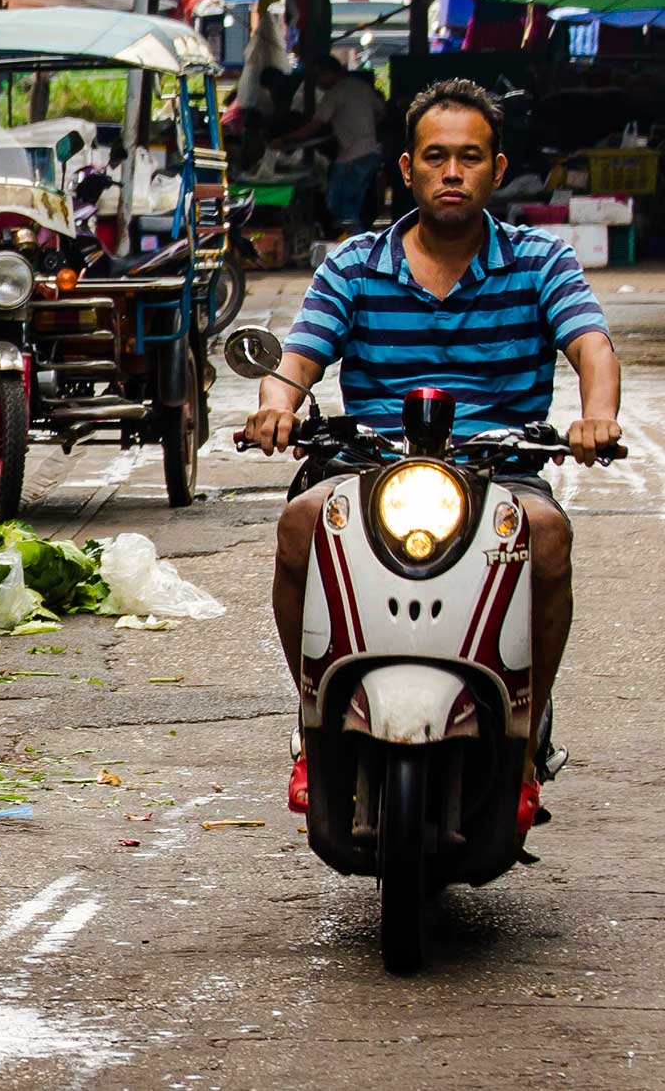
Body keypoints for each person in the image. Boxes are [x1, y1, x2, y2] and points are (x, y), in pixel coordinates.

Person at [244, 77, 621, 835]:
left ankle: (521, 740)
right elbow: (299, 359)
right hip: (371, 464)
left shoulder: (540, 261)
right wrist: (275, 409)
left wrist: (598, 418)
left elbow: (592, 345)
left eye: (471, 158)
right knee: (299, 525)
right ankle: (316, 726)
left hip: (501, 466)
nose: (453, 172)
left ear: (497, 167)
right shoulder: (355, 263)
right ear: (407, 168)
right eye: (437, 157)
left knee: (548, 538)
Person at [278, 54, 385, 232]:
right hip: (370, 154)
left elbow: (314, 126)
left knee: (341, 208)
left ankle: (355, 248)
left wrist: (284, 139)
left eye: (320, 76)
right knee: (355, 206)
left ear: (330, 73)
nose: (318, 82)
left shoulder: (334, 94)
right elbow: (381, 113)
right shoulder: (361, 87)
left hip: (352, 157)